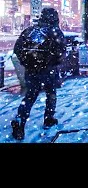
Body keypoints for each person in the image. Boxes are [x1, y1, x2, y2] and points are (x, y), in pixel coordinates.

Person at [11, 7, 66, 140]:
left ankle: (20, 119)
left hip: (31, 71)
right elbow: (61, 52)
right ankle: (49, 119)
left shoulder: (30, 31)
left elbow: (17, 49)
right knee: (51, 94)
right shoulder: (55, 32)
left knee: (30, 96)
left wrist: (27, 63)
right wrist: (52, 62)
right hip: (49, 71)